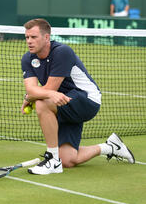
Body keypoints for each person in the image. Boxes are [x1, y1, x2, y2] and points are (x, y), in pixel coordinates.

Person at [20, 18, 135, 175]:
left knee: (42, 103)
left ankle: (53, 160)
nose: (29, 41)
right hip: (63, 101)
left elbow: (47, 90)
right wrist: (31, 96)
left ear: (46, 37)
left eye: (34, 37)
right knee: (68, 159)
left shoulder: (62, 52)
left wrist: (31, 98)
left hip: (87, 100)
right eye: (27, 37)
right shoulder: (27, 58)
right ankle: (111, 147)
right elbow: (32, 90)